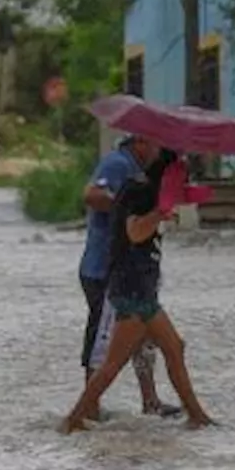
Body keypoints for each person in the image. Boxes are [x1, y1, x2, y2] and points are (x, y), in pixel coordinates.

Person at [61, 169, 216, 434]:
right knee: (113, 364)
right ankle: (73, 419)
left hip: (142, 291)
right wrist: (158, 214)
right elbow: (134, 232)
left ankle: (197, 415)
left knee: (174, 348)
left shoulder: (147, 193)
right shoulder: (140, 194)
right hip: (132, 292)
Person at [79, 136, 181, 418]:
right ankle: (88, 409)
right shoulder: (118, 163)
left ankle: (150, 400)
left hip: (133, 272)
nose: (158, 151)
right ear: (141, 143)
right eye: (155, 145)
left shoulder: (139, 174)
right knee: (104, 342)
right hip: (106, 271)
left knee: (145, 339)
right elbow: (91, 195)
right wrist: (126, 207)